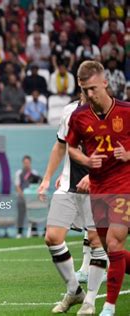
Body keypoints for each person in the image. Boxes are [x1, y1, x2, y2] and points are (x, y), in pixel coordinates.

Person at [66, 60, 130, 316]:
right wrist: (85, 160)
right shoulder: (79, 116)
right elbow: (70, 148)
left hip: (124, 186)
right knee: (109, 249)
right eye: (84, 90)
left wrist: (129, 153)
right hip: (98, 189)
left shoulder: (126, 111)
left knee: (114, 244)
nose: (89, 95)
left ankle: (109, 308)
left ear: (105, 83)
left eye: (93, 88)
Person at [38, 94, 108, 315]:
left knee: (97, 241)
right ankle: (74, 290)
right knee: (52, 237)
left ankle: (89, 301)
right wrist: (48, 177)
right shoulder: (68, 111)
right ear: (80, 85)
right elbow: (60, 146)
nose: (90, 90)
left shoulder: (110, 113)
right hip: (69, 185)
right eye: (85, 85)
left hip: (100, 188)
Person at [15, 155, 41, 238]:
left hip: (32, 199)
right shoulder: (19, 173)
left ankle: (34, 232)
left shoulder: (35, 173)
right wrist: (24, 196)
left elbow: (38, 186)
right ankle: (19, 233)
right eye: (25, 163)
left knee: (33, 215)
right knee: (21, 216)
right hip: (22, 199)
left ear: (30, 163)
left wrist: (32, 197)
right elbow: (17, 186)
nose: (26, 164)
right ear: (23, 163)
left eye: (28, 163)